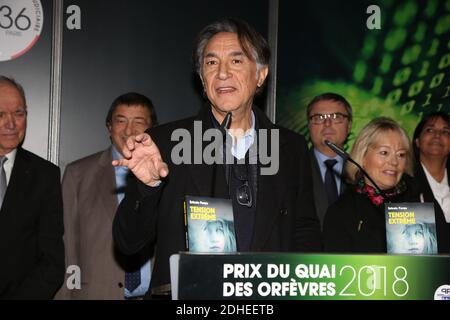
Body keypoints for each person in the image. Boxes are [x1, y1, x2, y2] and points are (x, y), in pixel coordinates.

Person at [113, 18, 321, 296]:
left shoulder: (290, 147)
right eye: (211, 63)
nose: (222, 73)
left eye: (236, 61)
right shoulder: (166, 142)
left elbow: (304, 231)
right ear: (202, 78)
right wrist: (147, 187)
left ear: (260, 75)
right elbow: (128, 244)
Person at [56, 93, 157, 299]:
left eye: (139, 122)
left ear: (152, 127)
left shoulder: (166, 175)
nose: (129, 130)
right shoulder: (78, 175)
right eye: (121, 121)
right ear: (109, 127)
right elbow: (67, 246)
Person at [0, 76, 65, 299]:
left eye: (18, 113)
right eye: (0, 114)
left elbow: (52, 262)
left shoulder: (45, 175)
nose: (11, 123)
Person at [323, 117, 419, 253]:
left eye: (401, 155)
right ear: (362, 157)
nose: (394, 162)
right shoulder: (343, 211)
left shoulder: (420, 200)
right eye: (384, 152)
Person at [306, 93, 352, 229]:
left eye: (336, 116)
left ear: (349, 125)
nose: (327, 123)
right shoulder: (293, 169)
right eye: (319, 117)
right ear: (309, 125)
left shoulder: (362, 171)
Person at [413, 112, 450, 253]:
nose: (437, 135)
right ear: (417, 141)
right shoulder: (403, 184)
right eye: (430, 130)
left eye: (445, 131)